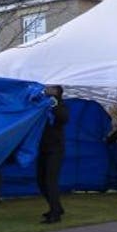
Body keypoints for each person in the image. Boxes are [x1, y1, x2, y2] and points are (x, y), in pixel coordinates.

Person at [37, 85, 69, 223]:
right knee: (41, 180)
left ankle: (55, 214)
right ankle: (56, 207)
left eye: (49, 88)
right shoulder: (43, 104)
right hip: (43, 148)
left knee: (50, 181)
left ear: (56, 91)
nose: (45, 89)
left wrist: (54, 105)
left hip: (55, 149)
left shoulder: (60, 105)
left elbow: (64, 118)